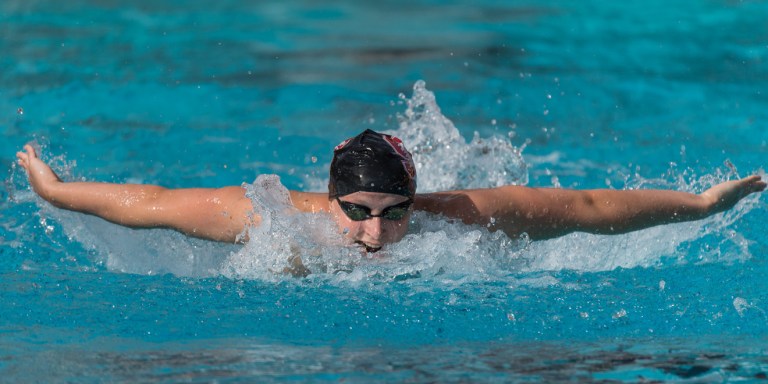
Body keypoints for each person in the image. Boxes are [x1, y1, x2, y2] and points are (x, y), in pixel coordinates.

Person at [16, 129, 766, 253]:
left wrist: (704, 204)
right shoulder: (268, 220)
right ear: (330, 199)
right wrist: (54, 191)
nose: (376, 237)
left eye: (395, 216)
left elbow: (592, 209)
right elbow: (147, 202)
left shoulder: (459, 220)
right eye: (360, 216)